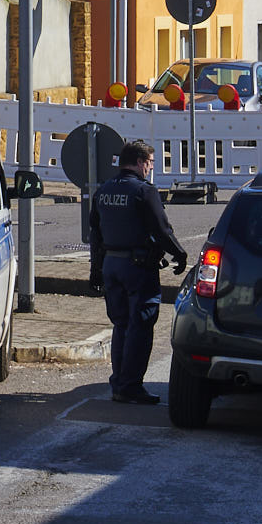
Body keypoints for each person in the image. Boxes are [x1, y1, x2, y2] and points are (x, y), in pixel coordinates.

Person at [83, 138, 186, 405]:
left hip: (111, 265)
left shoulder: (104, 190)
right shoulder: (144, 191)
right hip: (137, 268)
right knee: (140, 326)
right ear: (140, 162)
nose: (151, 168)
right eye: (150, 162)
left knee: (121, 325)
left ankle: (119, 382)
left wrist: (96, 268)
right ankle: (130, 386)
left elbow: (95, 232)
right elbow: (162, 230)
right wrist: (180, 254)